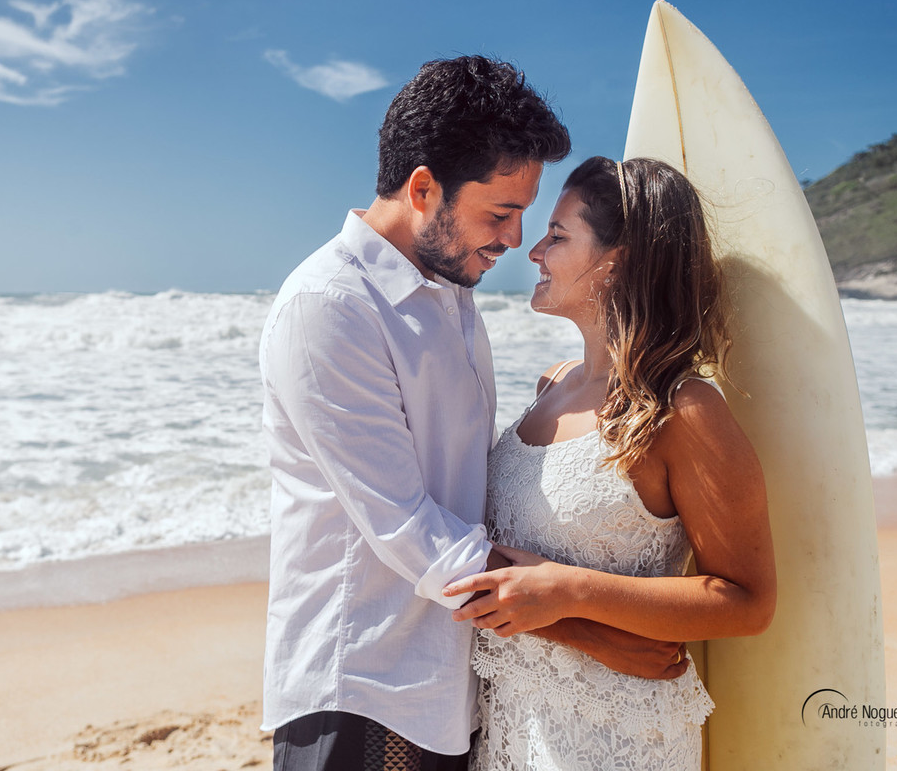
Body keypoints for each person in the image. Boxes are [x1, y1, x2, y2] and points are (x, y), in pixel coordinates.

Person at [259, 60, 686, 771]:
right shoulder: (332, 306)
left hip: (451, 679)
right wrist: (590, 628)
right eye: (499, 213)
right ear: (423, 189)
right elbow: (407, 524)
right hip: (365, 682)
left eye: (526, 214)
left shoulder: (449, 296)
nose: (516, 240)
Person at [443, 156, 777, 770]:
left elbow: (747, 601)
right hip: (509, 724)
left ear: (618, 260)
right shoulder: (553, 384)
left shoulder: (683, 410)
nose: (532, 251)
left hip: (616, 739)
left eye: (558, 236)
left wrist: (572, 591)